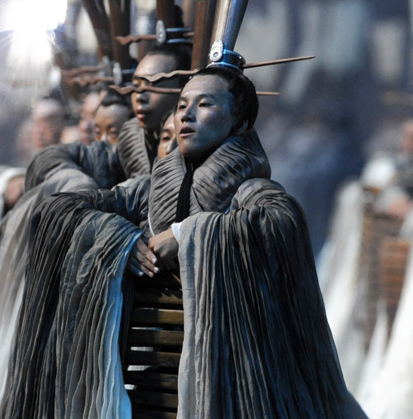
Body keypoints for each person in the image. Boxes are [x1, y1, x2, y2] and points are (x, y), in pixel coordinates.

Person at [1, 66, 366, 418]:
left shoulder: (252, 191)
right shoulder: (146, 191)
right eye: (181, 106)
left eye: (205, 104)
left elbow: (280, 221)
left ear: (240, 123)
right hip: (140, 380)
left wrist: (188, 236)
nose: (187, 115)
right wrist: (117, 239)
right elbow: (65, 210)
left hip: (228, 386)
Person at [117, 45, 191, 178]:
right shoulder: (132, 135)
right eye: (136, 85)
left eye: (153, 85)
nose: (139, 96)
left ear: (183, 88)